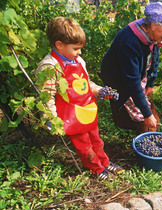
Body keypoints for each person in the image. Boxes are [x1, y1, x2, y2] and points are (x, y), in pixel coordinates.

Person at [35, 17, 123, 180]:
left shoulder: (78, 61)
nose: (79, 52)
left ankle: (104, 162)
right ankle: (96, 169)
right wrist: (50, 119)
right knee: (84, 146)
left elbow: (85, 83)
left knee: (97, 141)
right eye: (76, 48)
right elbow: (46, 96)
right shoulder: (49, 66)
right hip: (71, 116)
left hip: (87, 109)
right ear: (59, 45)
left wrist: (99, 91)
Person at [100, 2, 162, 134]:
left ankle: (147, 123)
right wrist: (146, 115)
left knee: (146, 108)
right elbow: (132, 82)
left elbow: (155, 58)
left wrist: (151, 83)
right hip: (119, 79)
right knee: (142, 117)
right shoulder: (129, 41)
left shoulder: (152, 33)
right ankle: (145, 133)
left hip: (136, 76)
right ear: (154, 26)